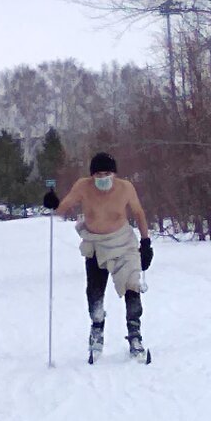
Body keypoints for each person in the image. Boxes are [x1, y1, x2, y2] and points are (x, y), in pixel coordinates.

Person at [43, 152, 154, 361]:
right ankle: (97, 330)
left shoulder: (125, 188)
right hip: (95, 244)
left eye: (107, 173)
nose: (103, 178)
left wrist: (146, 242)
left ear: (114, 173)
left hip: (123, 243)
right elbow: (61, 208)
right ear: (92, 175)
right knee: (94, 291)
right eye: (98, 174)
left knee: (132, 286)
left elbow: (139, 213)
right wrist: (52, 202)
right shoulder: (83, 187)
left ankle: (135, 334)